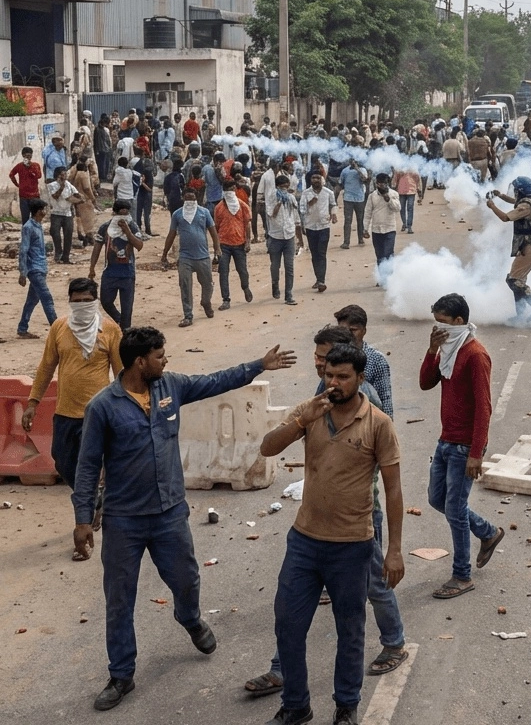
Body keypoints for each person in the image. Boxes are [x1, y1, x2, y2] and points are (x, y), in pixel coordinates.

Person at [72, 327, 296, 711]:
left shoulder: (171, 386)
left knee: (187, 579)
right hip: (124, 520)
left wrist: (258, 365)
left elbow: (215, 381)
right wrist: (81, 520)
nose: (166, 360)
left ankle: (190, 618)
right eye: (160, 356)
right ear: (140, 361)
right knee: (119, 599)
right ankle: (121, 674)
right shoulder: (103, 407)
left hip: (170, 513)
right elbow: (88, 465)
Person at [245, 327, 407, 702]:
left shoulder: (375, 418)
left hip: (354, 534)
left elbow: (392, 486)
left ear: (359, 378)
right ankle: (291, 694)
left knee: (357, 616)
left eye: (341, 375)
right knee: (288, 620)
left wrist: (395, 549)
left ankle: (357, 691)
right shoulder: (314, 406)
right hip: (306, 538)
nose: (332, 381)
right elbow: (268, 448)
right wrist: (302, 421)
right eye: (327, 372)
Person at [23, 277, 122, 555]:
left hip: (98, 415)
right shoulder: (59, 328)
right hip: (65, 413)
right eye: (76, 301)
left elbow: (121, 374)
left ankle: (83, 527)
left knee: (87, 470)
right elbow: (46, 367)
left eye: (87, 301)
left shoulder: (110, 330)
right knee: (64, 463)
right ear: (69, 302)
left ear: (95, 301)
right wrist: (32, 402)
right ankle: (93, 500)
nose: (82, 305)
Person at [419, 293, 503, 599]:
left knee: (454, 510)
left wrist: (476, 454)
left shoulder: (475, 355)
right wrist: (432, 350)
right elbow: (426, 382)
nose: (438, 330)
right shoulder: (448, 350)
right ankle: (487, 532)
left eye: (442, 323)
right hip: (446, 440)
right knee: (437, 499)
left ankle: (462, 575)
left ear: (458, 322)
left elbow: (484, 408)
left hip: (464, 446)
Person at [486, 176, 531, 322]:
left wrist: (492, 206)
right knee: (517, 280)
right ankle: (520, 315)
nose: (514, 192)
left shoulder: (526, 207)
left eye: (516, 189)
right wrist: (501, 195)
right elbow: (516, 202)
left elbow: (505, 217)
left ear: (520, 190)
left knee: (514, 280)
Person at [160, 188, 221, 327]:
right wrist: (165, 253)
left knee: (207, 284)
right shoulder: (177, 214)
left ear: (196, 198)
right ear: (183, 198)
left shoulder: (204, 212)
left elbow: (213, 231)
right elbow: (171, 234)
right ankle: (188, 315)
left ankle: (206, 302)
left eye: (192, 198)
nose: (190, 201)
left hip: (203, 256)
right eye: (187, 198)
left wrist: (217, 248)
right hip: (185, 257)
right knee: (185, 286)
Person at [333, 304, 394, 419]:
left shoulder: (376, 360)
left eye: (353, 330)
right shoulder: (332, 356)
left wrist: (387, 425)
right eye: (343, 330)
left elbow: (385, 398)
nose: (348, 335)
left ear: (364, 331)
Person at [90, 199, 143, 328]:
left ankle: (125, 329)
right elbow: (97, 248)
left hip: (127, 273)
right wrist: (92, 268)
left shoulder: (132, 226)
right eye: (121, 214)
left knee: (127, 308)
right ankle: (120, 320)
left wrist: (128, 232)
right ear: (114, 213)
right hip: (109, 272)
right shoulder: (105, 228)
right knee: (106, 301)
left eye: (126, 214)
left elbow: (139, 245)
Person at [18, 198, 57, 339]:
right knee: (47, 298)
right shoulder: (28, 227)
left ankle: (22, 328)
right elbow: (23, 250)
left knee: (32, 300)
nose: (45, 212)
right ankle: (57, 329)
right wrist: (22, 272)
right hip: (34, 268)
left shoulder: (38, 225)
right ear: (39, 211)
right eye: (44, 209)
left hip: (40, 267)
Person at [213, 179, 253, 309]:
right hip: (223, 244)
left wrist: (248, 241)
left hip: (239, 243)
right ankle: (226, 299)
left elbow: (247, 224)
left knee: (242, 270)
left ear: (235, 189)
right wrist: (216, 246)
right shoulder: (219, 208)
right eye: (227, 189)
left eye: (232, 189)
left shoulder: (242, 206)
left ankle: (245, 287)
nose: (230, 192)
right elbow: (216, 227)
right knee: (223, 272)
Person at [267, 173, 303, 306]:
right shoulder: (271, 198)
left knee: (289, 267)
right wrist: (279, 203)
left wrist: (300, 238)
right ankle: (275, 285)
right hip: (275, 237)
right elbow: (272, 214)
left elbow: (296, 218)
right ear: (277, 187)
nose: (284, 190)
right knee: (275, 266)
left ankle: (289, 295)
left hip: (289, 236)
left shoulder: (291, 198)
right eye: (282, 187)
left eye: (286, 187)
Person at [298, 170, 336, 294]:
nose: (315, 180)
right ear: (310, 180)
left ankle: (321, 281)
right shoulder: (305, 193)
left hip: (324, 226)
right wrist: (310, 203)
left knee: (321, 253)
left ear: (321, 179)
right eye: (313, 178)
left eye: (318, 178)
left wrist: (333, 214)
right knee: (314, 254)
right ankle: (318, 278)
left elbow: (333, 204)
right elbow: (302, 210)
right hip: (310, 227)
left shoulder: (328, 192)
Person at [366, 172, 400, 272]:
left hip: (390, 228)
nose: (382, 186)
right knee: (380, 255)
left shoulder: (394, 194)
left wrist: (389, 200)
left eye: (384, 183)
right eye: (380, 183)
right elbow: (367, 213)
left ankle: (390, 275)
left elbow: (397, 208)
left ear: (387, 183)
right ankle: (382, 276)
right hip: (376, 230)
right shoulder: (372, 196)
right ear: (376, 183)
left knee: (388, 253)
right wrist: (365, 228)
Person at [339, 159, 369, 249]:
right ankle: (346, 242)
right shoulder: (345, 171)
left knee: (360, 219)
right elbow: (341, 183)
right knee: (348, 220)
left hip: (359, 198)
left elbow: (364, 180)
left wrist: (357, 169)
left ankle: (360, 239)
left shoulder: (362, 170)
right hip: (348, 198)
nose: (353, 162)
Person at [10, 146, 42, 223]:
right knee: (25, 218)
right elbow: (11, 174)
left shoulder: (35, 165)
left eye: (30, 156)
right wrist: (17, 184)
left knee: (36, 218)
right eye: (26, 156)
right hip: (23, 196)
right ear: (23, 156)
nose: (28, 158)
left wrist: (30, 168)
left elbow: (39, 176)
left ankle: (35, 230)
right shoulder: (19, 166)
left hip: (35, 196)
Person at [393, 165, 419, 233]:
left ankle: (409, 226)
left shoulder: (413, 166)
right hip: (402, 190)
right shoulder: (399, 166)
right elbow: (396, 178)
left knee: (410, 208)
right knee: (402, 208)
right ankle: (404, 223)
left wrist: (418, 188)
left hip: (411, 190)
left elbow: (417, 178)